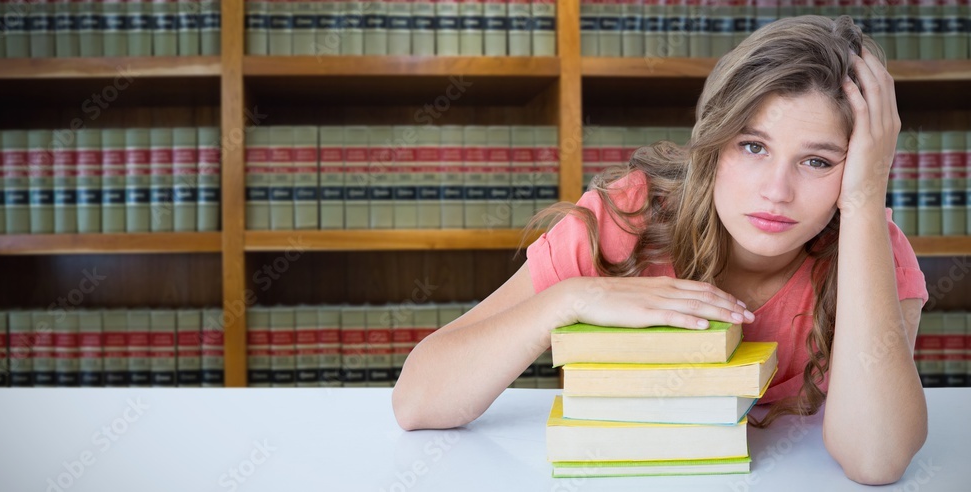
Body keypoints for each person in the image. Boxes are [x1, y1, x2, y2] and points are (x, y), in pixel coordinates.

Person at [392, 15, 929, 485]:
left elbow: (875, 460)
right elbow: (418, 400)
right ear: (714, 143)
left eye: (818, 161)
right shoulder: (632, 215)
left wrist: (864, 202)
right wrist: (570, 300)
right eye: (752, 146)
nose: (776, 191)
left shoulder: (873, 253)